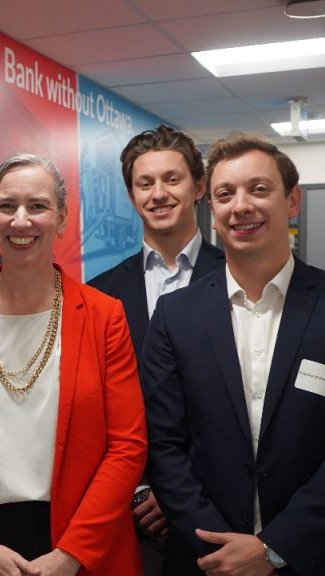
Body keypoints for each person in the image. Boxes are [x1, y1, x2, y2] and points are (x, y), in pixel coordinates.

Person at [141, 134, 325, 576]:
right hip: (207, 560)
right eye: (225, 194)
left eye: (259, 189)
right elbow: (163, 446)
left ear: (292, 200)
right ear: (212, 209)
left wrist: (274, 548)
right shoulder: (175, 315)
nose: (241, 206)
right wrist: (221, 550)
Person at [0, 154, 147, 576]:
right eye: (7, 206)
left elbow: (127, 446)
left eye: (38, 206)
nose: (20, 220)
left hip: (85, 549)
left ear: (61, 219)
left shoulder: (104, 316)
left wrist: (71, 554)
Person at [87, 125, 224, 574]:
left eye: (172, 179)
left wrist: (178, 494)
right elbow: (95, 406)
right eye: (145, 184)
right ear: (131, 196)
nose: (159, 194)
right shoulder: (99, 294)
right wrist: (141, 491)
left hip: (218, 510)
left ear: (199, 187)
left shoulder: (238, 280)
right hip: (127, 511)